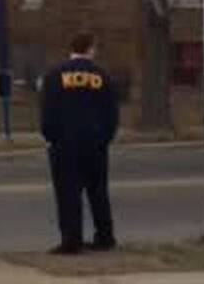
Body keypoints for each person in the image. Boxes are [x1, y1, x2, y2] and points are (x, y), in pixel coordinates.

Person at [41, 32, 119, 255]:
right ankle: (105, 236)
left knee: (68, 193)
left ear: (72, 49)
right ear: (90, 49)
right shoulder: (102, 76)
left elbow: (48, 110)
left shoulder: (55, 75)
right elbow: (111, 113)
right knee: (98, 191)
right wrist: (105, 138)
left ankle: (71, 241)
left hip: (65, 144)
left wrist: (51, 137)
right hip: (95, 144)